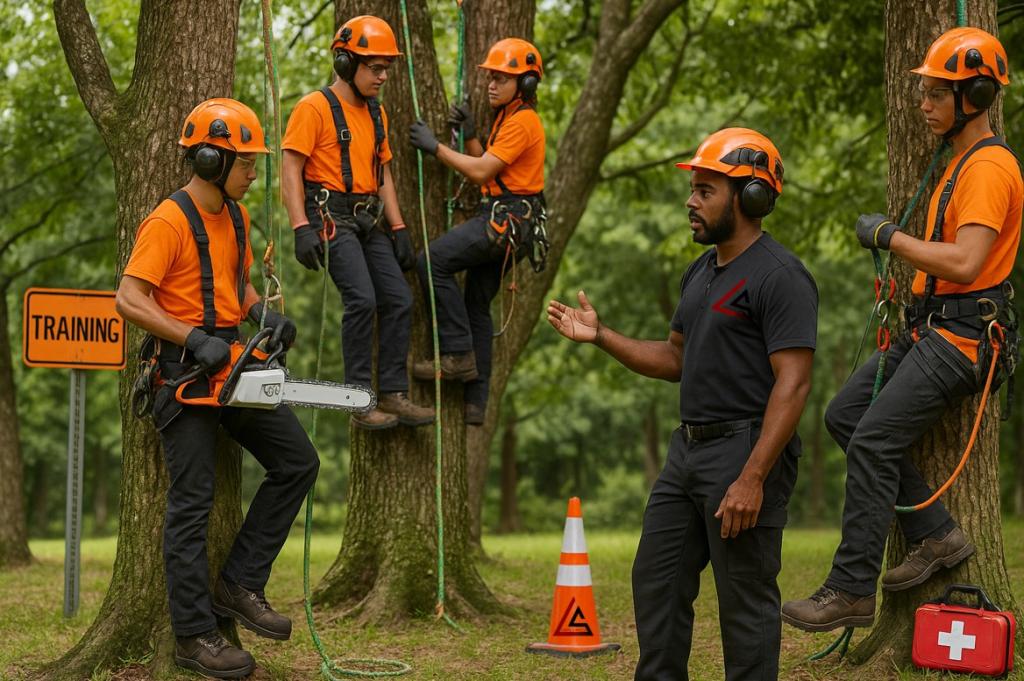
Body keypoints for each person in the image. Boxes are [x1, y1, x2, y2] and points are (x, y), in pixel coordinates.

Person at [548, 128, 817, 680]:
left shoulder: (781, 276)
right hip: (687, 451)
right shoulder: (700, 272)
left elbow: (793, 385)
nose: (690, 202)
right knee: (657, 579)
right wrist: (602, 336)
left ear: (751, 197)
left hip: (744, 451)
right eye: (692, 189)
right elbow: (675, 359)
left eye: (705, 190)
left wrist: (753, 476)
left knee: (744, 604)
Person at [782, 27, 1021, 632]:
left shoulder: (989, 168)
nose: (922, 104)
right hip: (931, 329)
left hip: (962, 340)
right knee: (845, 417)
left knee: (872, 441)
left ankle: (852, 589)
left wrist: (891, 237)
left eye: (936, 94)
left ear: (974, 95)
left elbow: (967, 263)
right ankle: (936, 532)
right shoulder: (956, 162)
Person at [116, 98, 319, 679]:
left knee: (299, 461)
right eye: (246, 162)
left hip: (231, 366)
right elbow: (129, 298)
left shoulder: (236, 217)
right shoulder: (169, 220)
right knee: (192, 503)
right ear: (210, 159)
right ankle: (193, 635)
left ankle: (239, 583)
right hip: (181, 375)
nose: (255, 172)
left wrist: (264, 318)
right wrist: (189, 336)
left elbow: (239, 284)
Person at [281, 15, 434, 430]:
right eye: (375, 68)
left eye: (387, 68)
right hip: (328, 214)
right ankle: (358, 399)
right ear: (347, 64)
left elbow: (383, 173)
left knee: (399, 298)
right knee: (362, 300)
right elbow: (290, 168)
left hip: (367, 217)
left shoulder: (376, 114)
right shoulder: (314, 108)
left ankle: (393, 393)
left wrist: (399, 228)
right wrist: (300, 227)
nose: (383, 76)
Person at [408, 38, 547, 425]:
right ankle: (475, 400)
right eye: (492, 77)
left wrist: (434, 147)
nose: (492, 84)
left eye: (502, 79)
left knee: (431, 262)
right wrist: (470, 135)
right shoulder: (510, 118)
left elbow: (482, 171)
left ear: (526, 85)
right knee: (476, 305)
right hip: (513, 223)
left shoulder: (523, 121)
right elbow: (494, 165)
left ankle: (456, 355)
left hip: (504, 223)